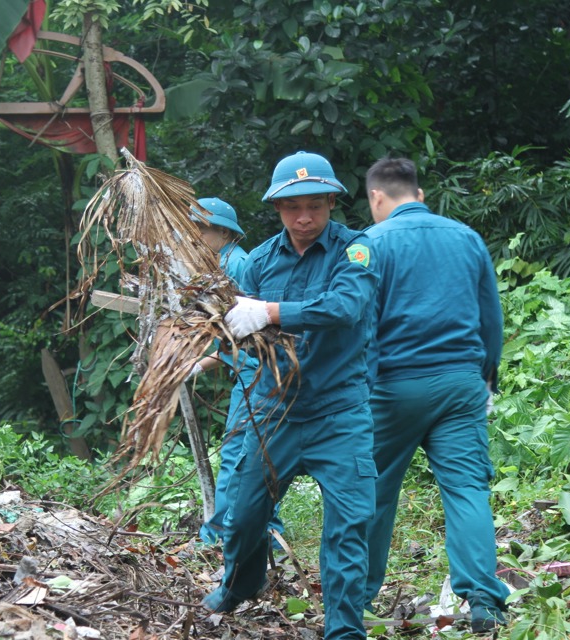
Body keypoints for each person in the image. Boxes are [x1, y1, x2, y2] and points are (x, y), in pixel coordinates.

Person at [205, 151, 379, 640]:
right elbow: (235, 330)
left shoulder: (356, 251)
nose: (305, 218)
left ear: (331, 203)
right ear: (278, 210)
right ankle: (241, 583)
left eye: (316, 206)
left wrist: (271, 312)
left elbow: (346, 307)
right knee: (243, 517)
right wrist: (224, 324)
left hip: (339, 412)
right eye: (292, 207)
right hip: (273, 411)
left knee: (348, 527)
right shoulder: (258, 262)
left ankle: (344, 629)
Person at [361, 157, 510, 633]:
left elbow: (359, 325)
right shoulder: (466, 237)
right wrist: (486, 379)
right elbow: (491, 319)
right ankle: (484, 600)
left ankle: (355, 598)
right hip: (461, 385)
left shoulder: (370, 242)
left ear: (376, 198)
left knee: (374, 491)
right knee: (467, 489)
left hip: (393, 387)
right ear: (420, 195)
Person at [186, 198, 284, 547]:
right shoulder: (217, 267)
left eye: (201, 229)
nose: (194, 236)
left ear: (224, 232)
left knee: (237, 453)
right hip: (249, 373)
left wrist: (201, 362)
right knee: (252, 454)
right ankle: (267, 532)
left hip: (258, 374)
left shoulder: (239, 266)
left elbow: (250, 332)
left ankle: (217, 537)